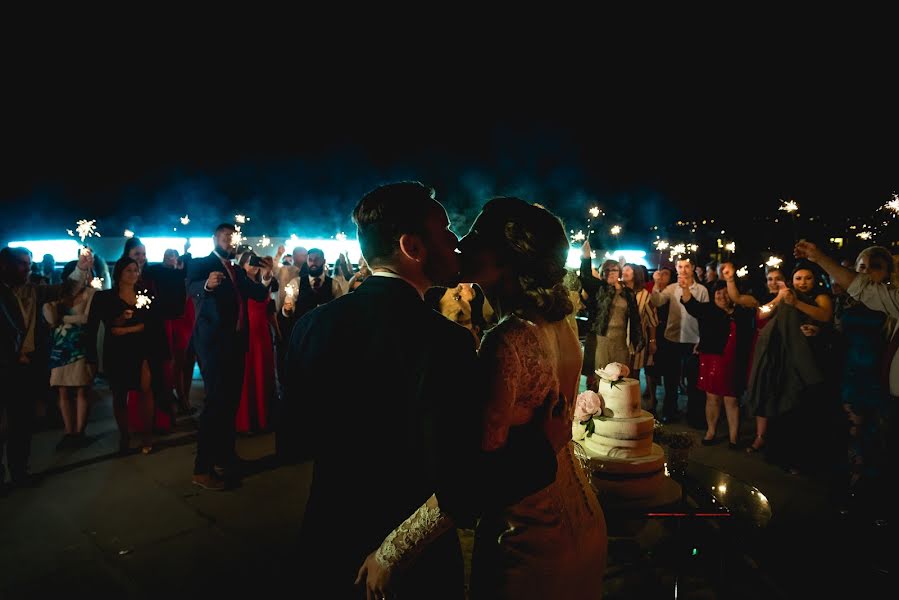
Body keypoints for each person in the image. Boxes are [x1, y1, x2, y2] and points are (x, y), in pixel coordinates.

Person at [282, 183, 569, 598]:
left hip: (326, 541)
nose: (456, 241)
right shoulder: (443, 342)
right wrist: (542, 450)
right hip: (410, 569)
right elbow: (463, 483)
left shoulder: (312, 325)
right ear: (412, 246)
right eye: (446, 229)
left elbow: (294, 438)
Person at [357, 196, 606, 599]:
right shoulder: (557, 322)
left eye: (476, 235)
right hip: (583, 516)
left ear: (508, 258)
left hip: (528, 535)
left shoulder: (507, 341)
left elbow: (474, 476)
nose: (460, 243)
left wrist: (393, 552)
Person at [187, 224, 273, 490]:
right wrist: (207, 285)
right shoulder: (202, 264)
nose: (231, 242)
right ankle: (202, 469)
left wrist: (267, 275)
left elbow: (258, 294)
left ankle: (226, 457)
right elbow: (192, 287)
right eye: (226, 237)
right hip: (213, 344)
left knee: (229, 403)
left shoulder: (236, 269)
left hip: (236, 344)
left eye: (234, 238)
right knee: (215, 404)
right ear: (215, 238)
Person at [1, 247, 91, 487]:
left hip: (25, 367)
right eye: (21, 264)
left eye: (29, 263)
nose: (28, 268)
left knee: (21, 424)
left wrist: (81, 269)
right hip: (5, 366)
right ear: (5, 266)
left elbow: (64, 290)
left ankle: (19, 471)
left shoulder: (33, 290)